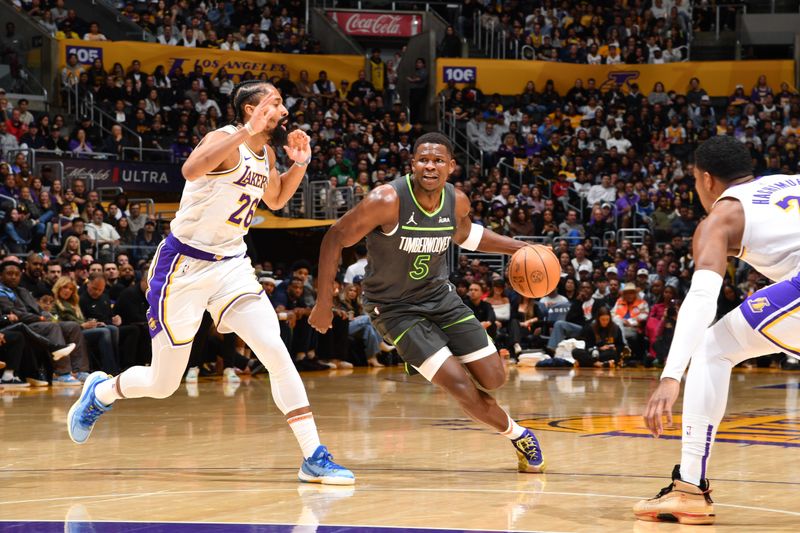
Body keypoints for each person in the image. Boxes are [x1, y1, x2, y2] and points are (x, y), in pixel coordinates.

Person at [66, 80, 354, 485]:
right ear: (252, 108)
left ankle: (313, 456)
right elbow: (190, 169)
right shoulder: (223, 140)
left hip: (231, 266)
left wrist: (300, 165)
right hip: (183, 267)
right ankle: (101, 392)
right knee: (162, 383)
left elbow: (274, 199)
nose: (283, 108)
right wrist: (244, 129)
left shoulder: (266, 152)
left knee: (275, 349)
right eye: (274, 102)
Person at [310, 132, 546, 473]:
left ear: (451, 166)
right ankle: (518, 434)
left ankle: (428, 360)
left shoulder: (457, 201)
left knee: (495, 378)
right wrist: (323, 301)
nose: (430, 166)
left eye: (438, 161)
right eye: (423, 159)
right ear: (412, 164)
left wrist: (521, 248)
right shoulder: (386, 199)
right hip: (393, 309)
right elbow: (334, 237)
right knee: (461, 385)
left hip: (439, 297)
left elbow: (466, 235)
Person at [634, 136, 800, 524]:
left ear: (707, 180)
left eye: (694, 182)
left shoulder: (720, 218)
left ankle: (689, 487)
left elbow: (702, 298)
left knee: (712, 347)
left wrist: (671, 376)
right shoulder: (789, 181)